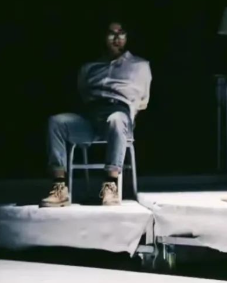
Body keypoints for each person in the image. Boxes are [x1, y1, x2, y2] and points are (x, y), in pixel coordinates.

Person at [40, 20, 152, 207]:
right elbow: (83, 94)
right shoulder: (89, 68)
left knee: (117, 120)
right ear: (103, 37)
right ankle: (59, 187)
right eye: (111, 33)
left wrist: (127, 115)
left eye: (121, 33)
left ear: (127, 37)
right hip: (91, 117)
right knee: (56, 122)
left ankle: (111, 184)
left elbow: (143, 101)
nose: (116, 38)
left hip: (119, 114)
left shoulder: (140, 65)